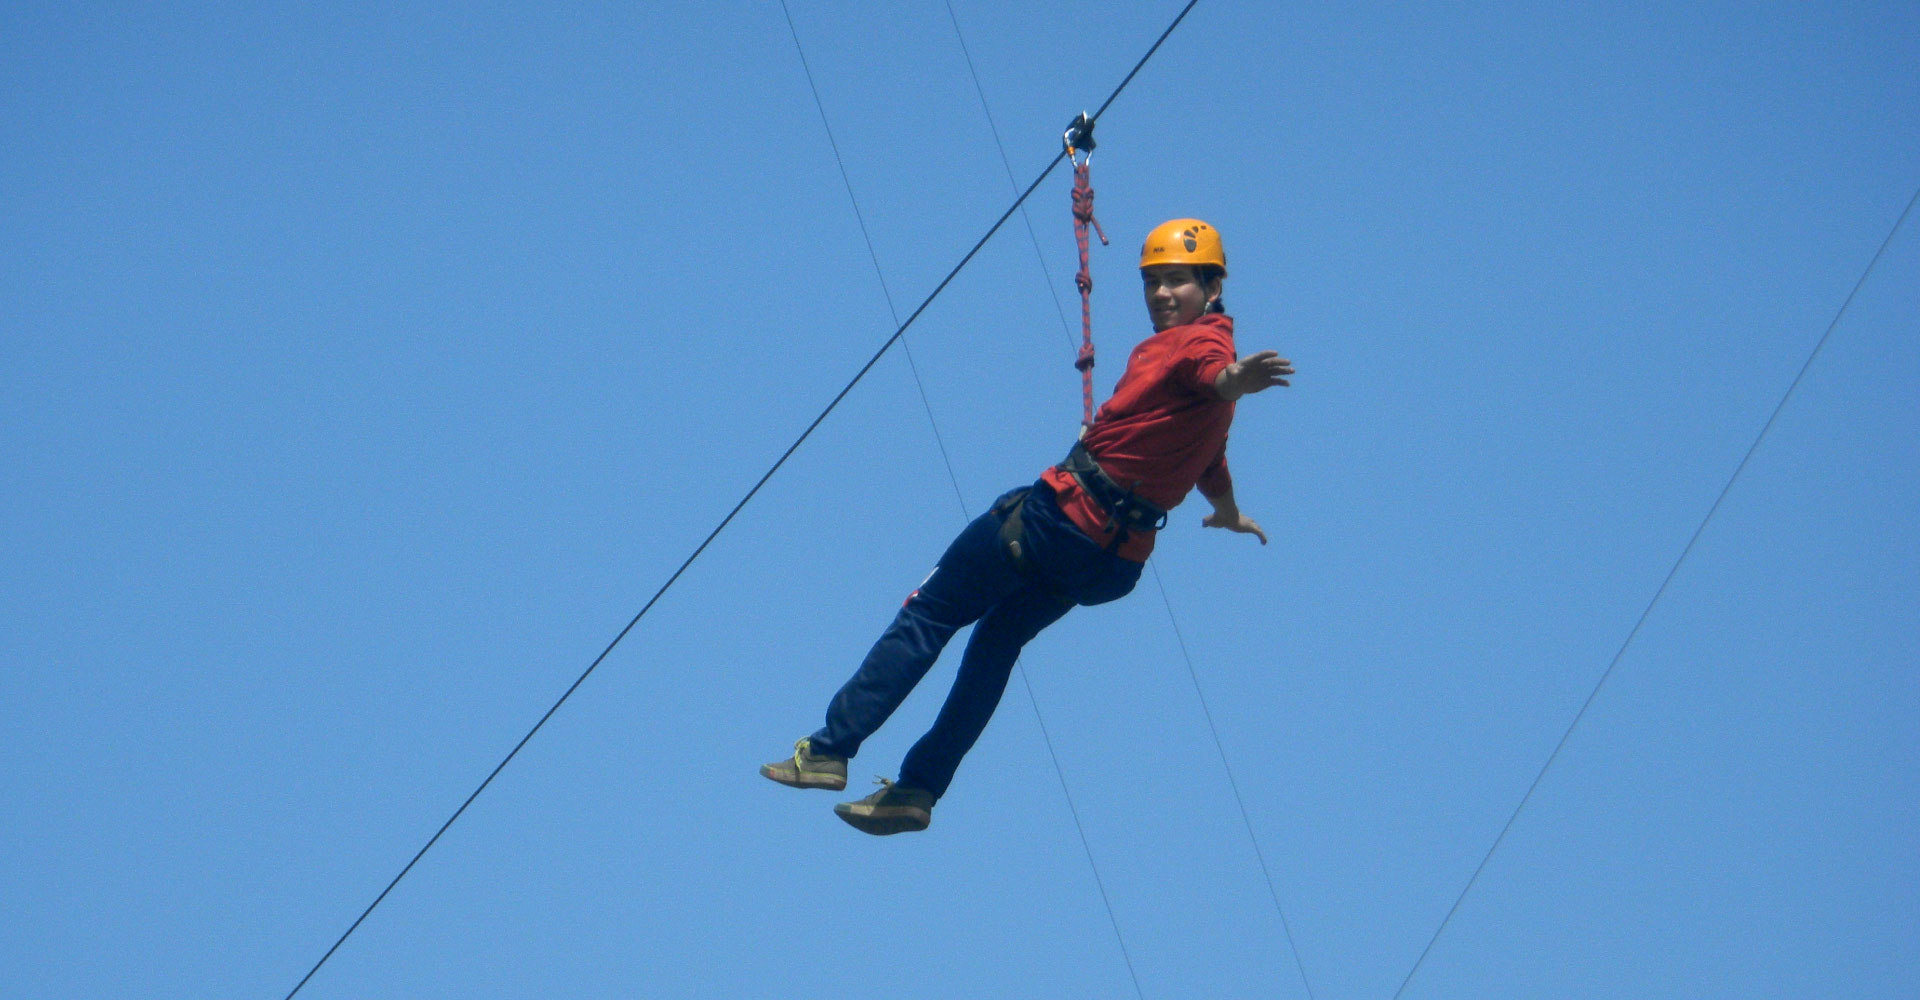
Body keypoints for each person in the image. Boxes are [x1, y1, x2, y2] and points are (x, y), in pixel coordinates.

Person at [762, 218, 1294, 835]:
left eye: (1176, 282)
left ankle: (830, 751)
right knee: (995, 646)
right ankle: (917, 791)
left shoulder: (1192, 349)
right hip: (1109, 565)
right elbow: (1207, 447)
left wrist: (1234, 380)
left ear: (1212, 287)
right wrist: (1227, 510)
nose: (1160, 296)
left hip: (1058, 521)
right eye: (1152, 283)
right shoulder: (1206, 376)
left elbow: (1214, 375)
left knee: (932, 610)